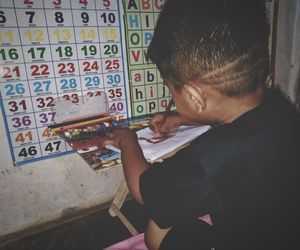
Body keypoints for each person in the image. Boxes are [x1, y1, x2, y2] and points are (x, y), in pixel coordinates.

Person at [98, 0, 300, 249]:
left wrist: (127, 140)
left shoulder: (212, 156)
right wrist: (182, 118)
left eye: (171, 90)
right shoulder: (279, 107)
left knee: (156, 228)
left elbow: (143, 190)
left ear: (194, 97)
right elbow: (238, 116)